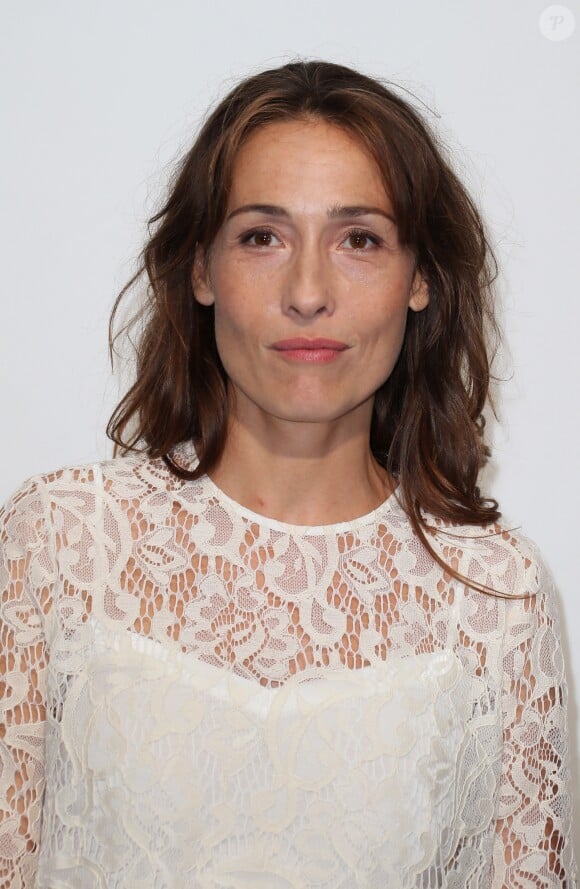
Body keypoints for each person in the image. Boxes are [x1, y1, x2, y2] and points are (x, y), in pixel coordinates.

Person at [0, 59, 576, 888]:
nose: (308, 292)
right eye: (262, 236)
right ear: (201, 270)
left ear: (420, 281)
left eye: (360, 240)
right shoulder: (57, 540)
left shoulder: (497, 597)